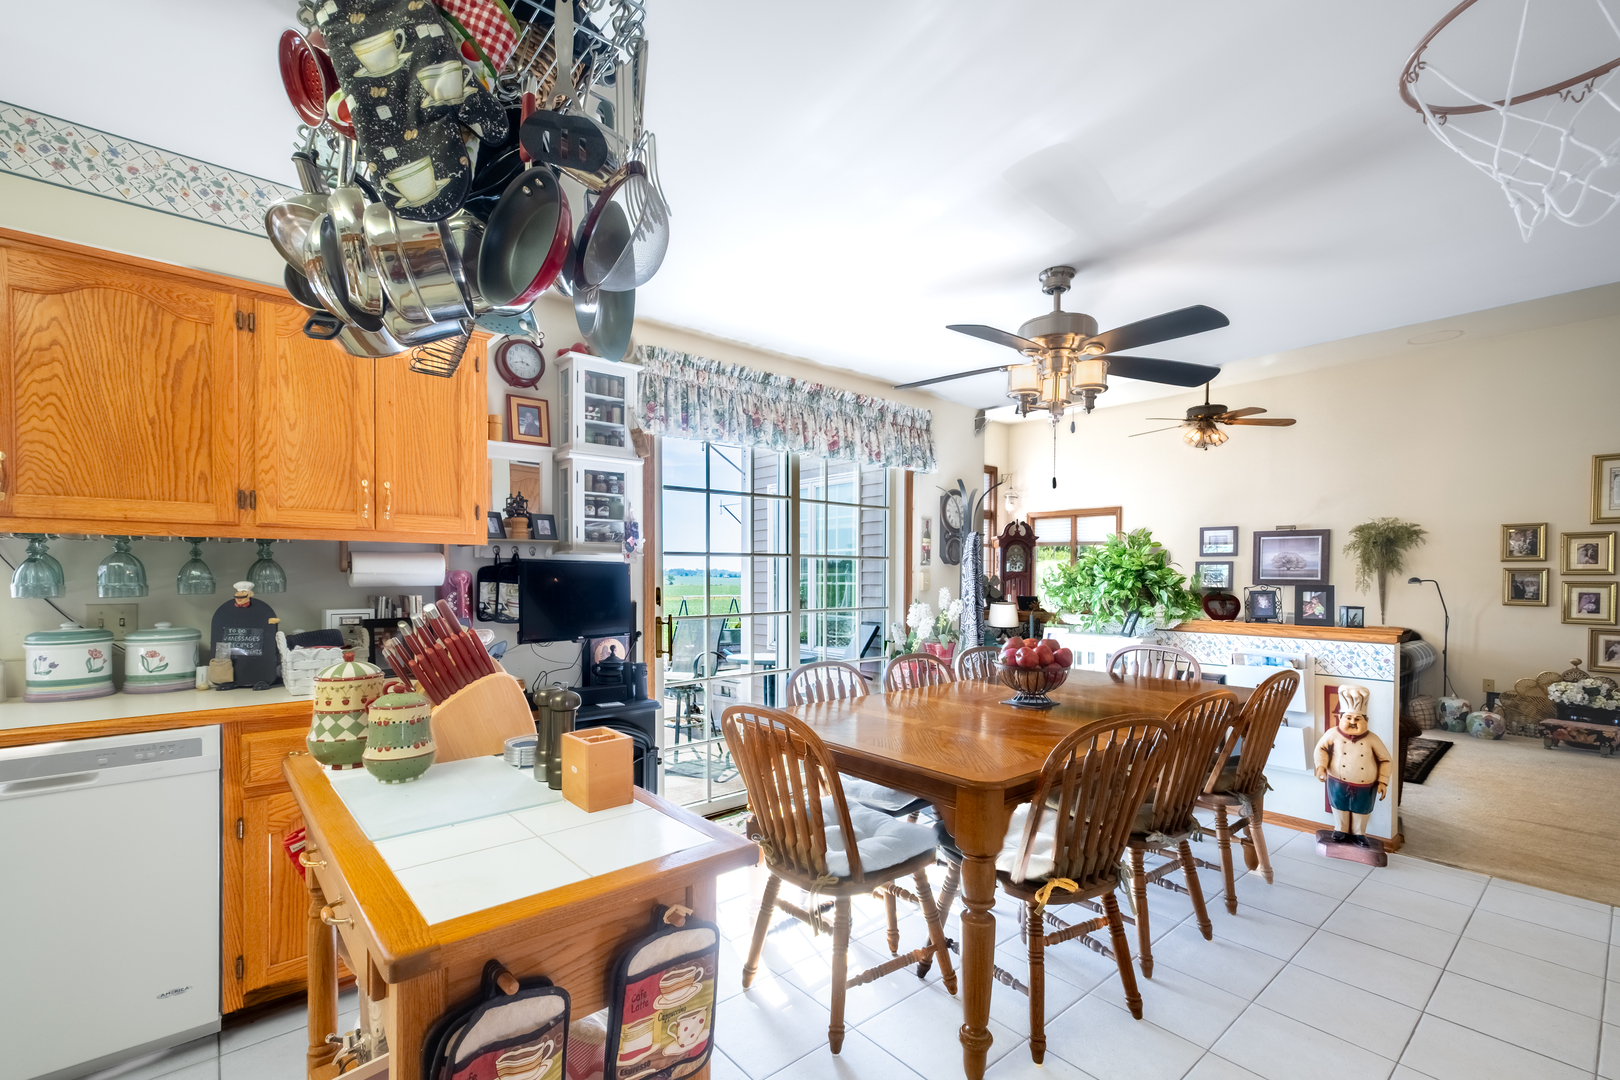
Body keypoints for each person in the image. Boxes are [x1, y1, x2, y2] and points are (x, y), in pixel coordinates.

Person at [1314, 685, 1391, 849]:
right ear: (1340, 718)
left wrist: (1383, 781)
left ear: (1367, 721)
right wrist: (1321, 767)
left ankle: (1359, 833)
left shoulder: (1373, 739)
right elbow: (1321, 749)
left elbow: (1385, 760)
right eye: (1348, 718)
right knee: (1339, 805)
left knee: (1362, 809)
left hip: (1366, 784)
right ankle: (1340, 829)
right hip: (1337, 780)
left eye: (1358, 719)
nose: (1352, 722)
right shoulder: (1332, 734)